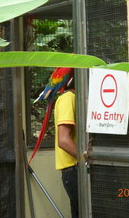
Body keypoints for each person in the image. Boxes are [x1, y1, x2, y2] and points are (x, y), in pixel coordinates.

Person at [54, 77, 79, 218]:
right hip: (74, 170)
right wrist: (87, 157)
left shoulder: (76, 99)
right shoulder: (68, 98)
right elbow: (63, 140)